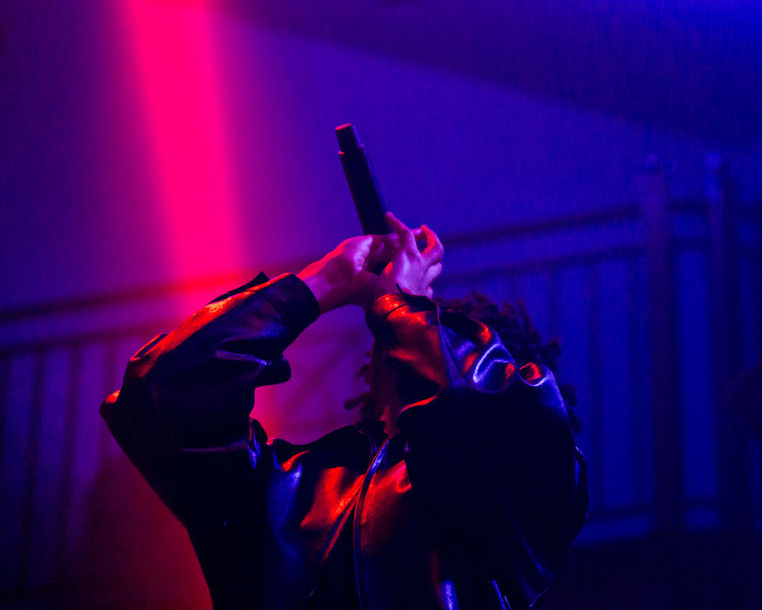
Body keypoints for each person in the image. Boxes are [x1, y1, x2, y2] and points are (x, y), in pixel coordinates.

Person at [101, 213, 588, 609]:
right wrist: (320, 284)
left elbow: (473, 417)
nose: (400, 328)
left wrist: (402, 304)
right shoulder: (280, 487)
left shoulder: (521, 488)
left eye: (435, 328)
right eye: (398, 325)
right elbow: (165, 388)